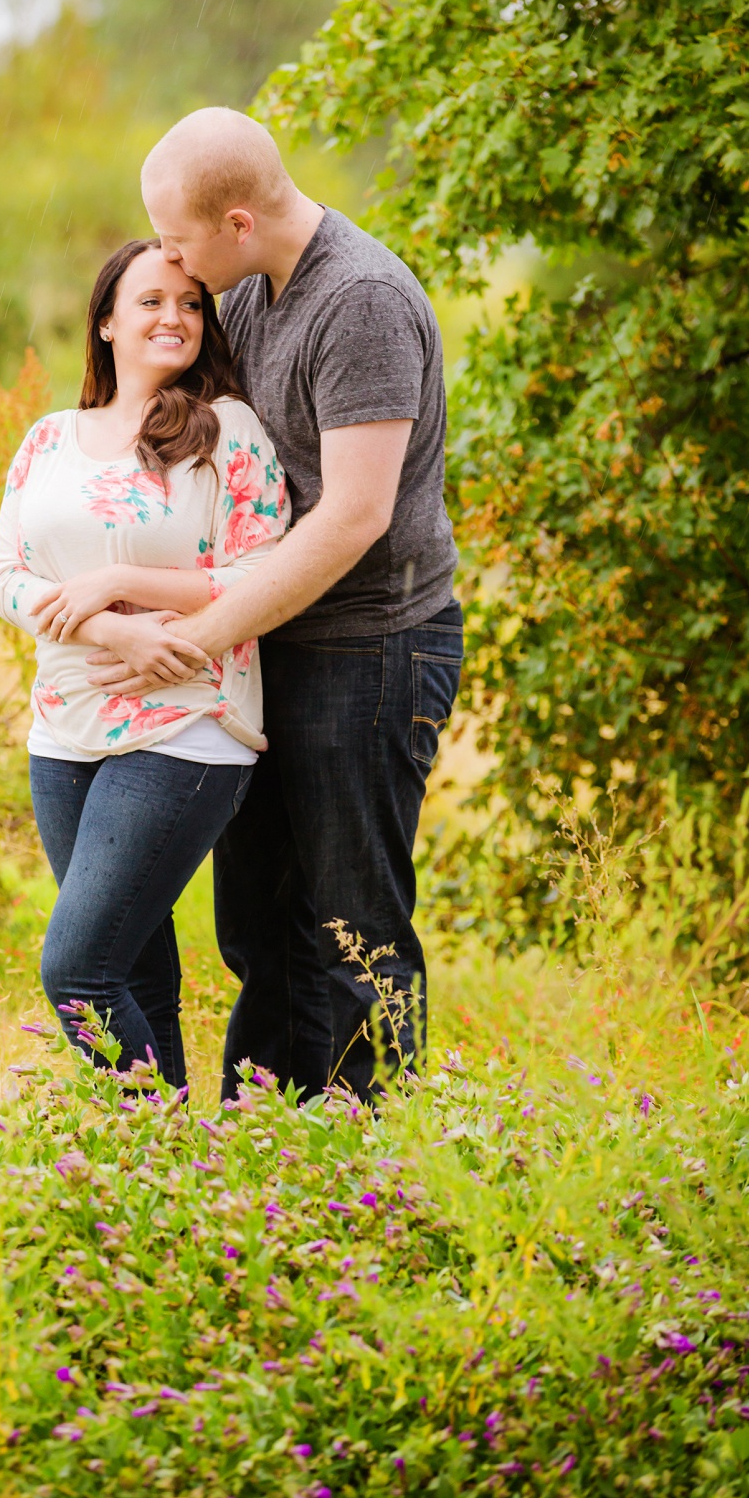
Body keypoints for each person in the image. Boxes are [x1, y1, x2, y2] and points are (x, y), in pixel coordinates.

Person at [85, 108, 463, 1103]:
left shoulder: (363, 301)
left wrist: (203, 635)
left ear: (239, 222)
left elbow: (353, 519)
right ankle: (270, 1138)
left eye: (178, 237)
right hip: (271, 639)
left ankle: (375, 1161)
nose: (170, 257)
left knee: (350, 923)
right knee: (256, 919)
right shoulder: (249, 294)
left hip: (374, 647)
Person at [0, 238, 289, 1089]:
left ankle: (149, 1149)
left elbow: (264, 570)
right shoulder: (49, 438)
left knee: (77, 973)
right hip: (64, 729)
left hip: (188, 724)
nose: (174, 317)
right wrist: (112, 632)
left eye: (192, 304)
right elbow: (7, 575)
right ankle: (169, 1182)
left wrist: (121, 580)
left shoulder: (226, 427)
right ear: (108, 321)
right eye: (152, 300)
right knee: (131, 972)